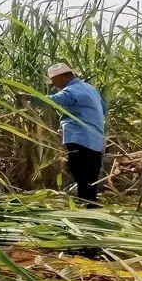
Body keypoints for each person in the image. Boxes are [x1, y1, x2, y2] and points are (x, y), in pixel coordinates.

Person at [43, 62, 106, 203]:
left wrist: (31, 98)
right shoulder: (90, 88)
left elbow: (54, 100)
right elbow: (104, 109)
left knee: (79, 170)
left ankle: (85, 204)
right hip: (95, 138)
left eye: (53, 80)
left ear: (61, 77)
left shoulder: (72, 90)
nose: (53, 84)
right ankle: (90, 203)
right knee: (91, 174)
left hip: (80, 137)